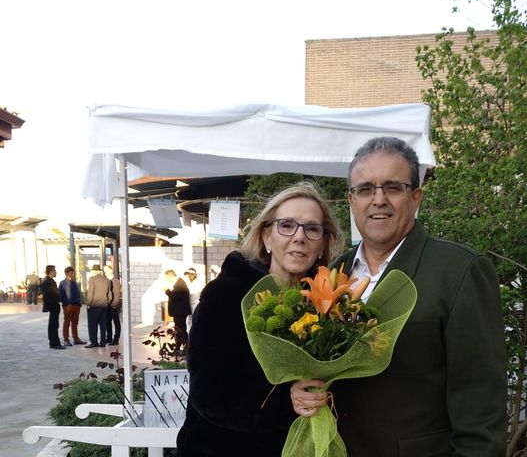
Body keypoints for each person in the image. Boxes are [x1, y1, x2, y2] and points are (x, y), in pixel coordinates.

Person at [290, 137, 508, 456]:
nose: (378, 200)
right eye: (365, 189)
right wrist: (301, 390)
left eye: (392, 187)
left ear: (416, 197)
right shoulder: (332, 272)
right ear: (351, 201)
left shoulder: (459, 271)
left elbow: (481, 407)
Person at [176, 181, 344, 456]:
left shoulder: (329, 307)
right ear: (266, 237)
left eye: (312, 228)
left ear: (323, 243)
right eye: (287, 225)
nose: (299, 237)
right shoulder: (227, 296)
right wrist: (284, 400)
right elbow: (209, 393)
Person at [164, 269, 192, 353]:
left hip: (180, 312)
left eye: (167, 277)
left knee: (181, 330)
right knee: (179, 330)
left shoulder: (180, 284)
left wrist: (167, 291)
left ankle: (186, 346)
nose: (167, 279)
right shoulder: (179, 283)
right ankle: (179, 346)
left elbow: (175, 296)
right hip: (179, 312)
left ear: (171, 276)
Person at [58, 266, 86, 346]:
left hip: (76, 305)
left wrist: (79, 302)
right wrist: (67, 304)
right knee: (67, 323)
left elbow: (78, 293)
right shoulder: (63, 283)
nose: (72, 274)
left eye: (73, 272)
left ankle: (76, 338)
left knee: (75, 322)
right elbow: (62, 295)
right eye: (71, 273)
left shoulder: (75, 282)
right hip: (68, 306)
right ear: (66, 273)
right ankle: (66, 339)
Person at [85, 264, 110, 348]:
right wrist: (107, 302)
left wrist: (88, 303)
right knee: (103, 325)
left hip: (94, 305)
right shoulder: (107, 280)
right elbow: (109, 294)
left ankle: (94, 342)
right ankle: (103, 342)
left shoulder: (92, 279)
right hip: (104, 305)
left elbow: (90, 293)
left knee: (93, 325)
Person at [40, 265, 65, 350]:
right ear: (50, 271)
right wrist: (54, 304)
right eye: (54, 271)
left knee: (54, 324)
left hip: (54, 305)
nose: (56, 272)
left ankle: (54, 343)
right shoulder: (47, 281)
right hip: (53, 306)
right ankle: (55, 343)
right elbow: (48, 295)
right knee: (53, 325)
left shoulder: (50, 281)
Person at [104, 265, 122, 346]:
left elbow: (117, 293)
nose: (105, 272)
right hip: (107, 304)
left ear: (111, 270)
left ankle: (116, 339)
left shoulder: (116, 281)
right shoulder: (106, 281)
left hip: (113, 304)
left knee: (116, 322)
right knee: (108, 322)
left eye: (106, 270)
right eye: (104, 270)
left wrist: (114, 304)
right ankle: (109, 338)